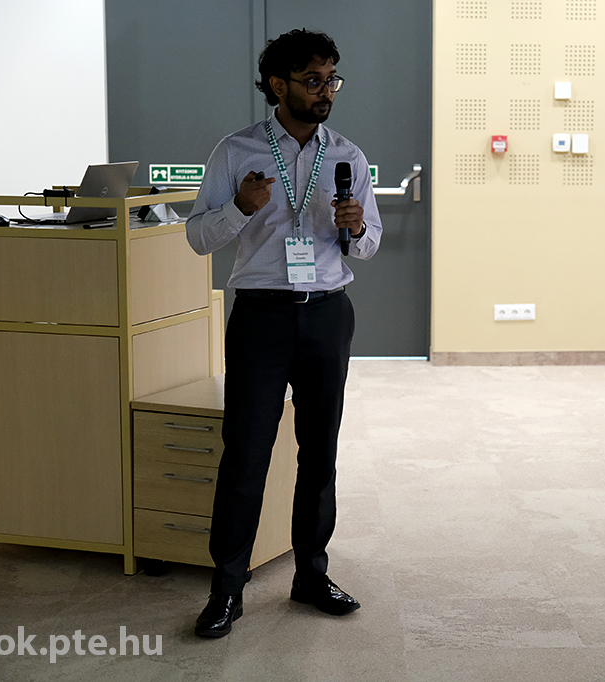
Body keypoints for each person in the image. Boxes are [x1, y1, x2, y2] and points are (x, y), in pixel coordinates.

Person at [185, 28, 381, 638]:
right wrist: (239, 208)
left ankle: (311, 575)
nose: (326, 91)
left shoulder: (347, 155)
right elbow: (197, 237)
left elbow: (369, 244)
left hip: (328, 312)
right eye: (313, 80)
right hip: (262, 317)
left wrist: (355, 227)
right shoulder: (236, 152)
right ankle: (226, 589)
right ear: (278, 85)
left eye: (331, 79)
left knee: (319, 452)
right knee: (246, 453)